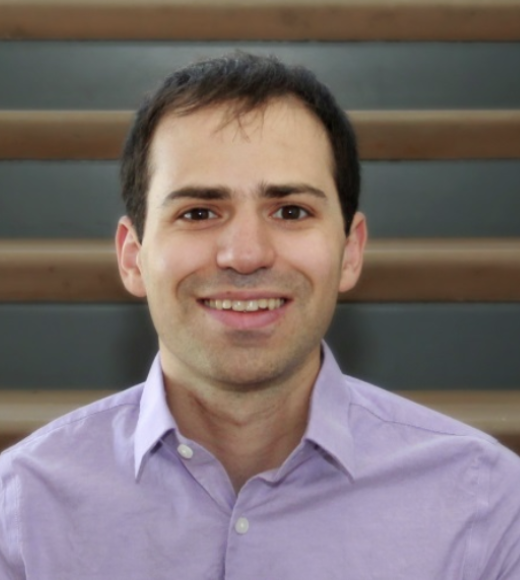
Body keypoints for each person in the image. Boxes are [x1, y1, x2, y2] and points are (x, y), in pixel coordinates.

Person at [1, 52, 519, 579]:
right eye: (199, 213)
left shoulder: (489, 505)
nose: (246, 255)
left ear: (351, 251)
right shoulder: (20, 513)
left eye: (291, 211)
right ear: (132, 257)